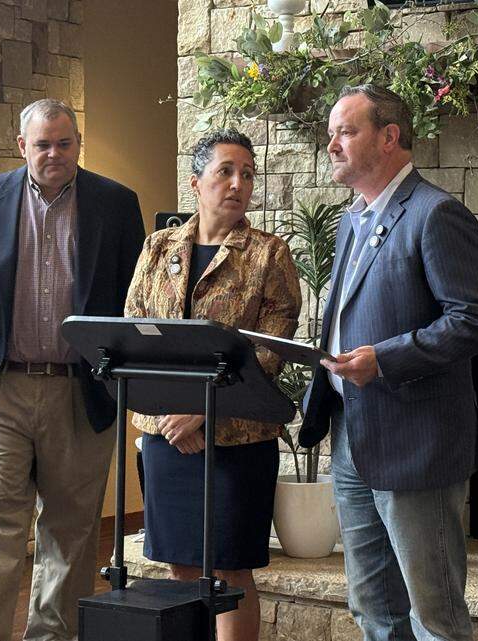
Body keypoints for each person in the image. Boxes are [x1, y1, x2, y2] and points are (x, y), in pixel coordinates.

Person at [298, 85, 478, 641]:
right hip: (351, 435)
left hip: (417, 444)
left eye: (346, 131)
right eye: (332, 133)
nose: (332, 144)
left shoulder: (437, 214)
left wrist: (384, 360)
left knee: (435, 617)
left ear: (389, 137)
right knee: (373, 610)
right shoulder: (352, 219)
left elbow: (477, 320)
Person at [0, 98, 145, 641]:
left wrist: (121, 381)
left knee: (71, 530)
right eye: (43, 144)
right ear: (22, 146)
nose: (55, 153)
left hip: (81, 392)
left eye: (64, 143)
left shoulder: (116, 203)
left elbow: (133, 300)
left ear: (78, 144)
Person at [124, 129, 302, 641]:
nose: (238, 183)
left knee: (229, 570)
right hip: (166, 437)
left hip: (237, 440)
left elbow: (269, 352)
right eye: (225, 171)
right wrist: (172, 418)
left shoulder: (269, 254)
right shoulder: (158, 247)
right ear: (195, 182)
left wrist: (201, 410)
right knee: (180, 565)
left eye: (247, 174)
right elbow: (133, 331)